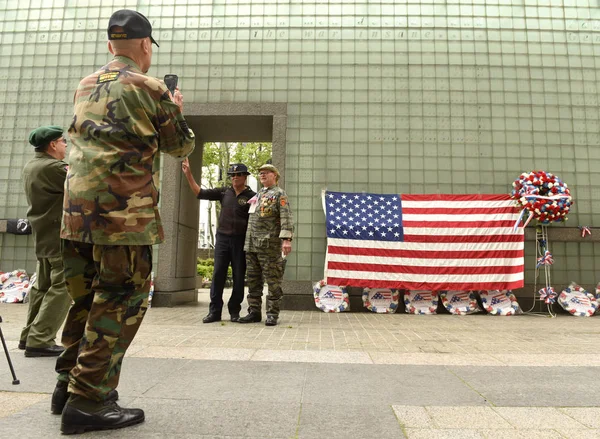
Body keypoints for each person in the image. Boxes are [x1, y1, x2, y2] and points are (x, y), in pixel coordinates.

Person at [53, 9, 195, 434]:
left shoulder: (85, 84)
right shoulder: (150, 87)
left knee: (87, 299)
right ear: (145, 46)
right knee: (119, 301)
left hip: (76, 214)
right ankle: (89, 402)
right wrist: (175, 107)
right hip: (122, 216)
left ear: (109, 44)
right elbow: (179, 146)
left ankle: (67, 385)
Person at [181, 160, 256, 323]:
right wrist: (188, 174)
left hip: (240, 241)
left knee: (238, 276)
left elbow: (258, 220)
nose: (235, 178)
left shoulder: (252, 197)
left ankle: (234, 311)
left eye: (238, 175)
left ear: (245, 177)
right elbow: (199, 192)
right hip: (222, 239)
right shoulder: (223, 192)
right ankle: (214, 311)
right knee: (217, 275)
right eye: (232, 175)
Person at [20, 126, 71, 358]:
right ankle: (40, 339)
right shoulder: (55, 168)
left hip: (43, 235)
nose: (66, 145)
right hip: (58, 235)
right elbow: (86, 184)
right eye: (63, 141)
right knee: (64, 285)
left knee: (42, 286)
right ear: (52, 144)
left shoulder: (32, 166)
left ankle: (29, 335)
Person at [238, 164, 294, 326]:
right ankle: (254, 312)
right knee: (253, 280)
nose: (262, 174)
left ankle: (272, 314)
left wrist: (286, 239)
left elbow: (286, 217)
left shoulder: (279, 194)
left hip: (269, 245)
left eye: (266, 172)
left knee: (273, 281)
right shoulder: (259, 194)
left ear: (275, 175)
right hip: (252, 244)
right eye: (260, 173)